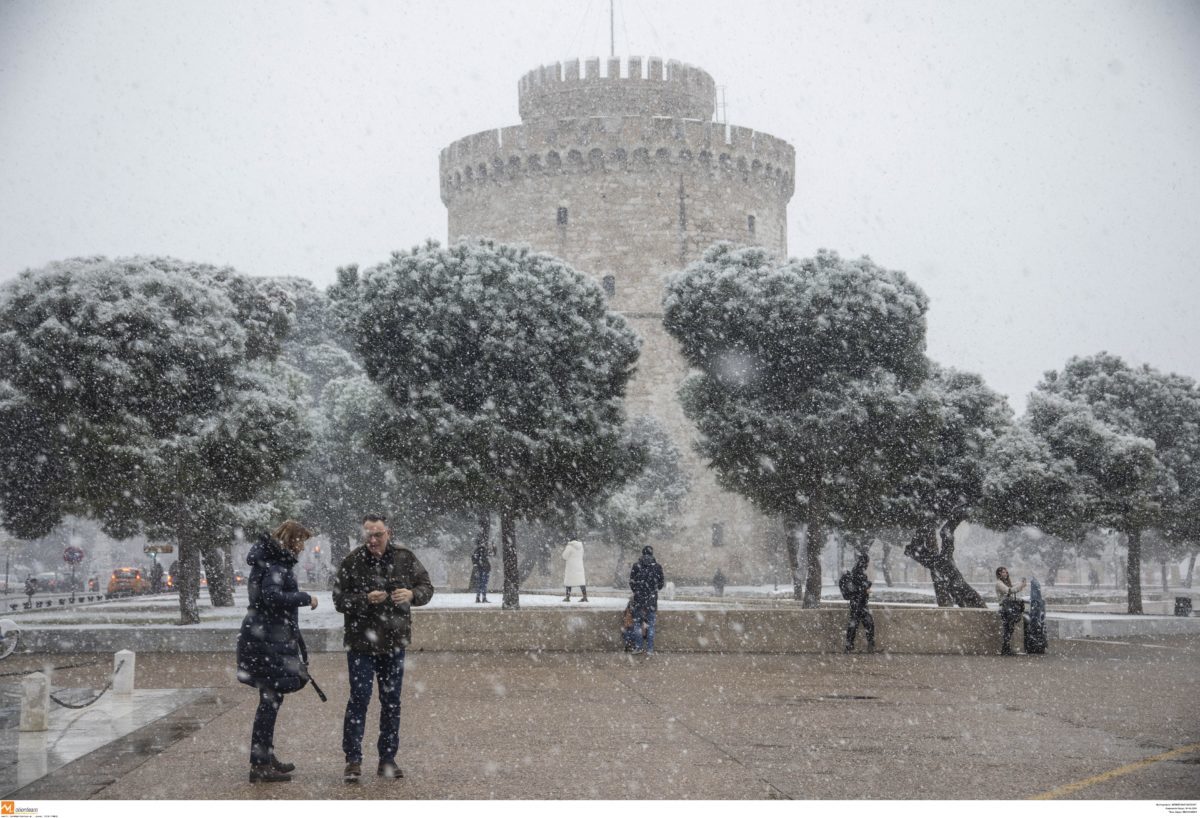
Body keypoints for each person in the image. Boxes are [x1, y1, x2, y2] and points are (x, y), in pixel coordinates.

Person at [334, 513, 434, 782]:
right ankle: (353, 760)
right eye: (369, 534)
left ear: (388, 533)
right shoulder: (352, 561)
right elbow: (338, 599)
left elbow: (426, 586)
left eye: (378, 534)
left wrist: (412, 595)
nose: (373, 540)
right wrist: (364, 599)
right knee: (359, 700)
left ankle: (387, 760)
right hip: (361, 644)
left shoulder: (404, 557)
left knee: (391, 702)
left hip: (393, 642)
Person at [235, 520, 318, 783]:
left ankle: (264, 756)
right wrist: (306, 598)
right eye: (301, 541)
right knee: (269, 701)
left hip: (265, 638)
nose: (303, 547)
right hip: (267, 641)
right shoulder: (275, 565)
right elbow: (272, 597)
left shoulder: (268, 561)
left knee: (271, 700)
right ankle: (259, 765)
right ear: (292, 540)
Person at [629, 546, 665, 656]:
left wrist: (638, 591)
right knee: (651, 625)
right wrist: (653, 590)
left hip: (639, 600)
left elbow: (631, 582)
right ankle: (649, 649)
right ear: (652, 553)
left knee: (637, 625)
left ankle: (639, 647)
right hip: (651, 601)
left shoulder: (636, 566)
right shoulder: (657, 567)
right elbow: (661, 584)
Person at [843, 553, 876, 654]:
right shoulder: (858, 571)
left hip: (857, 603)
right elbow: (860, 587)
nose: (867, 564)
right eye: (867, 562)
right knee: (867, 624)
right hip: (859, 603)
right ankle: (869, 646)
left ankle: (849, 646)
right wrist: (867, 585)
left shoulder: (857, 570)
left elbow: (858, 586)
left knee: (855, 625)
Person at [995, 566, 1027, 656]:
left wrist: (1021, 584)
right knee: (1007, 629)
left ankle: (1006, 649)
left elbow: (1013, 587)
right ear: (999, 574)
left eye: (1006, 572)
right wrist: (1020, 585)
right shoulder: (999, 583)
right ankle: (1005, 649)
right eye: (1003, 572)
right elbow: (1009, 591)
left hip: (1008, 608)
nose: (1006, 573)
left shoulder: (1005, 582)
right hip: (1005, 608)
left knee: (1010, 629)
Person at [471, 539, 494, 603]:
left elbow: (474, 559)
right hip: (484, 569)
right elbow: (492, 554)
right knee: (483, 583)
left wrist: (476, 565)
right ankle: (483, 598)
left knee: (480, 583)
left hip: (480, 569)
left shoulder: (477, 550)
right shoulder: (483, 550)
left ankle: (478, 597)